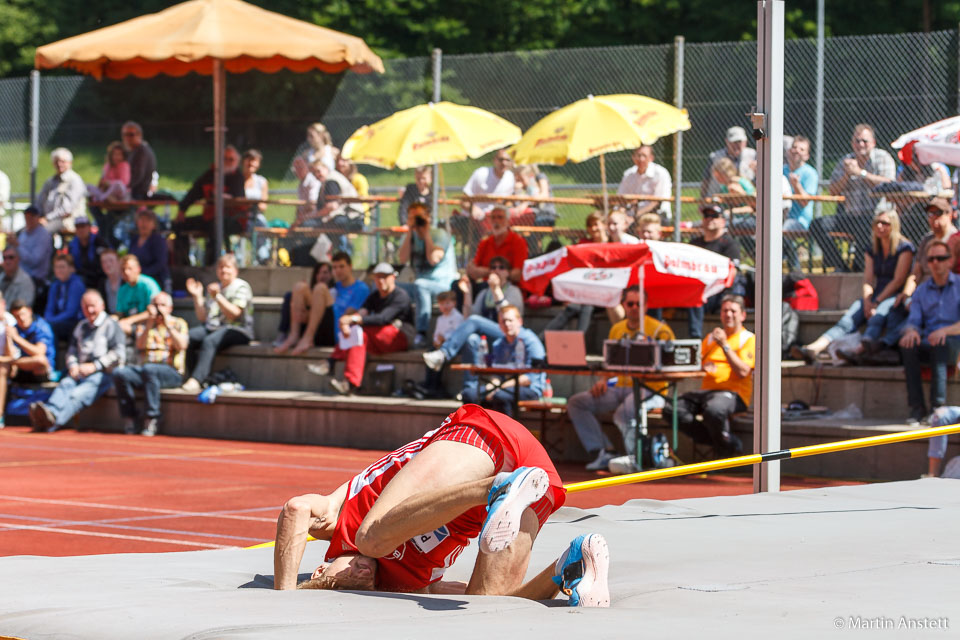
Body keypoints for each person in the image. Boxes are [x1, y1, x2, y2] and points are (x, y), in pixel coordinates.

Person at [273, 403, 610, 607]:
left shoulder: (337, 519)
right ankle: (571, 565)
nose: (360, 573)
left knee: (369, 538)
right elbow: (453, 590)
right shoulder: (406, 583)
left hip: (481, 441)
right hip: (538, 481)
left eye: (344, 576)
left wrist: (282, 599)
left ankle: (496, 488)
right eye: (361, 584)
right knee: (488, 607)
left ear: (320, 568)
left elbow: (295, 510)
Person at [567, 285, 675, 474]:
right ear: (623, 305)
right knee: (577, 402)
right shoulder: (617, 328)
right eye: (630, 303)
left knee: (623, 412)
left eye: (638, 304)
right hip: (619, 386)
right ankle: (604, 451)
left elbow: (671, 366)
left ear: (646, 306)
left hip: (651, 388)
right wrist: (604, 381)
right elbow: (611, 365)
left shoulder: (660, 330)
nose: (634, 307)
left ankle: (637, 458)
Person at [793, 209, 914, 364]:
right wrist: (868, 300)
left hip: (894, 296)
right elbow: (868, 279)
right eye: (877, 222)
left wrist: (876, 302)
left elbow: (898, 281)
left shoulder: (905, 247)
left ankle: (858, 351)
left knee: (878, 315)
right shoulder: (872, 248)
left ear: (894, 225)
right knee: (848, 318)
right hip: (875, 295)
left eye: (885, 223)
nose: (880, 226)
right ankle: (813, 348)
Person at [665, 294, 755, 457]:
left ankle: (722, 446)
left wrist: (725, 346)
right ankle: (724, 442)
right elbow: (696, 365)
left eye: (733, 311)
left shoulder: (747, 339)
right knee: (672, 409)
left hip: (734, 393)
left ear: (742, 315)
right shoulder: (710, 338)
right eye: (724, 310)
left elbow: (743, 372)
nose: (728, 315)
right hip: (707, 391)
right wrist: (701, 369)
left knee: (714, 411)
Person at [28, 290, 124, 433]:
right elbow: (71, 351)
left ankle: (53, 420)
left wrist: (95, 366)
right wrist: (72, 365)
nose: (90, 310)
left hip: (103, 374)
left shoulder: (111, 325)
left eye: (93, 306)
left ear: (102, 305)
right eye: (85, 307)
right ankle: (49, 412)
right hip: (80, 372)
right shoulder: (81, 326)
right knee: (66, 384)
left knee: (78, 394)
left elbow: (118, 353)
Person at [423, 258, 523, 385]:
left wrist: (496, 289)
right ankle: (470, 387)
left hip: (507, 335)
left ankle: (444, 353)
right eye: (493, 267)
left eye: (501, 267)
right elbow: (468, 319)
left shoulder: (513, 291)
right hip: (487, 340)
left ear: (508, 273)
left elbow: (507, 316)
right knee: (472, 339)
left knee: (475, 321)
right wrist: (468, 293)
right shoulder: (484, 293)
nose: (496, 270)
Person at [814, 124, 896, 272]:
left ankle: (859, 269)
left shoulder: (882, 158)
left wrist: (860, 173)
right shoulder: (846, 161)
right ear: (852, 144)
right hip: (851, 217)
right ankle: (840, 266)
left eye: (865, 141)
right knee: (817, 225)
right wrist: (847, 175)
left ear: (873, 143)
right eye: (857, 141)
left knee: (865, 228)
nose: (860, 145)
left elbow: (889, 184)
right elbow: (833, 191)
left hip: (876, 217)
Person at [324, 263, 413, 395]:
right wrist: (347, 322)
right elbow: (362, 313)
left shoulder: (401, 296)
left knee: (360, 332)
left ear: (393, 277)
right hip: (376, 339)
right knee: (359, 337)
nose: (381, 280)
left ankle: (332, 361)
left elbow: (383, 318)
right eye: (378, 277)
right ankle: (350, 383)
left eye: (385, 277)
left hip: (400, 337)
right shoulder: (374, 296)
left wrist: (352, 320)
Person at [898, 240, 960, 426]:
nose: (936, 262)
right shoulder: (921, 291)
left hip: (954, 342)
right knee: (908, 345)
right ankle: (917, 408)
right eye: (931, 259)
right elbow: (913, 321)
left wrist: (945, 331)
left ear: (950, 261)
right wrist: (911, 332)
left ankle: (937, 407)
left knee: (940, 342)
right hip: (930, 341)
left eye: (941, 258)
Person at [112, 292, 188, 437]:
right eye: (155, 305)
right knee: (120, 373)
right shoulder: (145, 324)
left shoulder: (178, 323)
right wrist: (149, 323)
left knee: (149, 369)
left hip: (171, 372)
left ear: (170, 308)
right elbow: (140, 346)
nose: (159, 308)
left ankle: (152, 417)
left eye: (162, 305)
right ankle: (130, 417)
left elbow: (182, 345)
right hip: (146, 371)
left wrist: (167, 324)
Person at [181, 254, 254, 393]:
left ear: (235, 270)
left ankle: (197, 379)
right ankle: (190, 376)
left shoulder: (241, 286)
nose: (224, 270)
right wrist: (197, 296)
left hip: (238, 330)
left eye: (228, 267)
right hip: (214, 327)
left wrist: (218, 297)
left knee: (209, 341)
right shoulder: (215, 288)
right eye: (221, 267)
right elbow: (203, 318)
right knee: (189, 337)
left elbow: (234, 315)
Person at [460, 305, 545, 418]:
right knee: (469, 394)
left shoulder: (531, 342)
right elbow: (496, 373)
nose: (507, 324)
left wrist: (498, 388)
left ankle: (504, 434)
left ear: (519, 321)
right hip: (502, 387)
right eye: (503, 321)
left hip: (529, 390)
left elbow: (529, 378)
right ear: (499, 324)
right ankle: (475, 431)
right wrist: (493, 386)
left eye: (510, 320)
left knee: (500, 396)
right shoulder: (498, 344)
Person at [398, 202, 459, 348]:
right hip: (420, 287)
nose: (417, 220)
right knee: (391, 286)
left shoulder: (440, 234)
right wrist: (409, 232)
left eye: (419, 217)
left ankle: (422, 333)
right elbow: (402, 259)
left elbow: (433, 259)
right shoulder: (409, 237)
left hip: (443, 285)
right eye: (412, 217)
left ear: (428, 217)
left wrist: (425, 234)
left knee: (420, 285)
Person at [172, 145, 246, 266]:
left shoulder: (237, 176)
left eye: (230, 159)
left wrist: (223, 197)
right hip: (210, 217)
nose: (227, 162)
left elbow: (238, 198)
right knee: (178, 225)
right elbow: (194, 192)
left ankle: (211, 265)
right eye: (224, 159)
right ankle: (183, 264)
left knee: (215, 226)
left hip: (233, 219)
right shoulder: (210, 174)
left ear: (237, 162)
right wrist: (182, 210)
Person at [541, 212, 609, 336]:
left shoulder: (612, 246)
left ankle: (578, 343)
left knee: (586, 306)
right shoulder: (584, 244)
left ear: (604, 225)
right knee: (572, 308)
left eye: (596, 224)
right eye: (590, 225)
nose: (593, 228)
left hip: (603, 293)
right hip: (584, 292)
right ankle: (541, 340)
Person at [687, 203, 742, 340]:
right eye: (706, 216)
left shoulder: (729, 244)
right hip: (694, 288)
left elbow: (733, 272)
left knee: (696, 297)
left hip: (717, 292)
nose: (709, 218)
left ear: (723, 221)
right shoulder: (694, 243)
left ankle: (695, 342)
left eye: (714, 216)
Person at [273, 261, 336, 354]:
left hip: (328, 332)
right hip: (309, 328)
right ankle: (294, 335)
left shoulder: (337, 289)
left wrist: (307, 314)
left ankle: (308, 338)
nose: (322, 276)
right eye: (318, 273)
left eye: (325, 272)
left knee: (320, 288)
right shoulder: (311, 292)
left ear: (332, 274)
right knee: (299, 287)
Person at [783, 135, 819, 270]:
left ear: (807, 156)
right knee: (750, 229)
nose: (796, 151)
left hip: (799, 220)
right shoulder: (779, 170)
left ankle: (795, 271)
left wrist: (796, 185)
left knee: (781, 231)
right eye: (794, 147)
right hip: (777, 218)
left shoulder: (810, 173)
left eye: (801, 149)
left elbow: (805, 202)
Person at [466, 207, 528, 284]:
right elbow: (473, 272)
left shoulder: (518, 242)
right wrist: (498, 272)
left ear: (508, 221)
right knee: (459, 284)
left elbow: (517, 274)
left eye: (500, 217)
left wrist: (487, 272)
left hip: (509, 285)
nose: (496, 221)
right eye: (493, 218)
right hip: (487, 285)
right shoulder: (485, 242)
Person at [36, 147, 86, 234]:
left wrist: (47, 218)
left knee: (42, 232)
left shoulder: (74, 180)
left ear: (70, 163)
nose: (59, 164)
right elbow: (39, 202)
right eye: (56, 161)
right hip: (46, 219)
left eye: (63, 161)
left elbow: (66, 210)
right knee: (23, 232)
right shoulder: (50, 181)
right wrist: (36, 217)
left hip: (66, 220)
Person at [700, 126, 757, 199]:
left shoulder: (753, 155)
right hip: (717, 199)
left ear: (745, 142)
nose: (737, 145)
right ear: (727, 141)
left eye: (739, 142)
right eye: (733, 142)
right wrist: (702, 200)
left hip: (746, 200)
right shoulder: (715, 157)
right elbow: (706, 180)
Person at [617, 145, 672, 218]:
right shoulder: (628, 174)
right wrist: (620, 214)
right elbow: (621, 198)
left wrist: (636, 216)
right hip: (631, 214)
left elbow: (657, 201)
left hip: (657, 214)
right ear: (633, 157)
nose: (641, 159)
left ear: (651, 158)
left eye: (644, 156)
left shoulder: (660, 173)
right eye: (638, 155)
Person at [8, 300, 56, 383]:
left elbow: (39, 352)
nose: (21, 319)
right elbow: (10, 354)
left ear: (29, 311)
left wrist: (17, 338)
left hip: (42, 372)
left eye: (23, 314)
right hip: (21, 370)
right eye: (17, 316)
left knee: (40, 360)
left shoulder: (42, 326)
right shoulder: (14, 329)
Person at [115, 254, 162, 336]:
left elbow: (154, 311)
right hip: (130, 326)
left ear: (138, 269)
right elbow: (120, 313)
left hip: (149, 325)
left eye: (130, 268)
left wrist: (129, 320)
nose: (126, 272)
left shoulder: (148, 285)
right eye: (123, 269)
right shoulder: (122, 289)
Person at [43, 254, 86, 342]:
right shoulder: (55, 285)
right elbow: (49, 308)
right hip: (58, 321)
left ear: (71, 268)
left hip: (75, 322)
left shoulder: (76, 284)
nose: (59, 270)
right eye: (57, 267)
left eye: (62, 267)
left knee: (51, 328)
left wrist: (51, 321)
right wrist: (47, 320)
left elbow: (70, 312)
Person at [241, 149, 271, 265]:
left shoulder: (261, 181)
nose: (251, 164)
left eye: (255, 161)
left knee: (260, 227)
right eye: (249, 160)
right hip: (240, 216)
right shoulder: (237, 179)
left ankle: (263, 257)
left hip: (256, 217)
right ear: (244, 161)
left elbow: (263, 205)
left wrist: (247, 204)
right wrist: (252, 204)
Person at [128, 208, 169, 289]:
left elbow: (160, 263)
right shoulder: (134, 240)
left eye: (148, 221)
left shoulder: (158, 240)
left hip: (156, 280)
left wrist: (141, 274)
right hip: (135, 279)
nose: (144, 223)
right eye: (141, 220)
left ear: (154, 225)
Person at [13, 205, 53, 282]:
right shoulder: (23, 233)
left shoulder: (43, 235)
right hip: (20, 276)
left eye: (32, 217)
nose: (29, 220)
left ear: (38, 218)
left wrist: (17, 245)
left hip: (35, 279)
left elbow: (34, 261)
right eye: (27, 217)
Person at [68, 215, 108, 288]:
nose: (81, 230)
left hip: (99, 278)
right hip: (80, 278)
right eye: (78, 227)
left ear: (89, 227)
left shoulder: (99, 242)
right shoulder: (72, 245)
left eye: (83, 226)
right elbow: (70, 264)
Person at [122, 121, 157, 201]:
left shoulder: (142, 151)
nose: (127, 138)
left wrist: (124, 188)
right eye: (124, 134)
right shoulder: (133, 150)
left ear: (139, 135)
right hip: (135, 192)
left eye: (131, 135)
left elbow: (138, 175)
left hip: (139, 194)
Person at [98, 249, 123, 314]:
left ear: (119, 262)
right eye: (104, 262)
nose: (108, 264)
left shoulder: (127, 281)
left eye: (111, 260)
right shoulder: (102, 284)